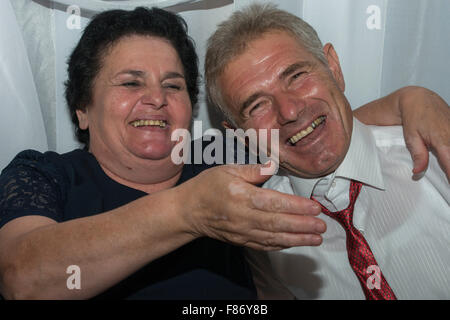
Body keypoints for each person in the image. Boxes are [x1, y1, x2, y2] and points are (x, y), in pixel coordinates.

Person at [0, 6, 448, 300]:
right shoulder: (46, 174)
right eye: (131, 82)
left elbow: (301, 132)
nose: (155, 99)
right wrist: (187, 211)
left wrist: (410, 99)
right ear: (82, 108)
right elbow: (24, 276)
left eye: (172, 85)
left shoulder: (226, 164)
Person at [205, 3, 450, 300]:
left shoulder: (437, 156)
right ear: (241, 137)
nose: (290, 110)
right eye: (257, 105)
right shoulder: (261, 233)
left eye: (296, 76)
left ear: (333, 67)